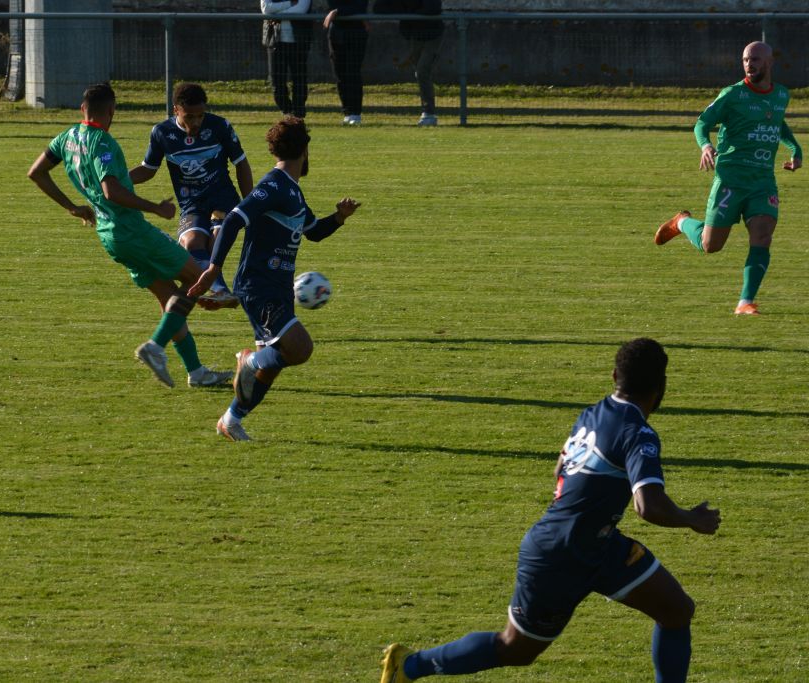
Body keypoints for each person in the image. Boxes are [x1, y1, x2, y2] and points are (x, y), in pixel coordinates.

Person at [380, 338, 721, 683]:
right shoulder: (637, 433)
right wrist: (692, 518)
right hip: (561, 554)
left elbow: (561, 467)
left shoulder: (591, 414)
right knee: (515, 649)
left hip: (599, 546)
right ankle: (408, 665)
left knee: (676, 610)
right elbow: (648, 506)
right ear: (661, 386)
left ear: (615, 375)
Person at [27, 83, 233, 389]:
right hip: (132, 231)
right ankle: (155, 346)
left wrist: (72, 207)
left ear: (82, 108)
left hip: (109, 236)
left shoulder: (66, 137)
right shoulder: (103, 142)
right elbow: (112, 191)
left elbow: (36, 172)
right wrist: (155, 208)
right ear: (112, 110)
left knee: (169, 298)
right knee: (197, 278)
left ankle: (196, 372)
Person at [187, 116, 360, 441]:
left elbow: (313, 232)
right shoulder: (274, 185)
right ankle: (248, 360)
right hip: (259, 285)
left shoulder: (292, 191)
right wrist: (213, 268)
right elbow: (234, 219)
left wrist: (339, 217)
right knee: (300, 348)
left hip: (277, 288)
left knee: (271, 367)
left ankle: (230, 421)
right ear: (305, 150)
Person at [654, 41, 801, 316]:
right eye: (745, 60)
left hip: (762, 182)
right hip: (731, 180)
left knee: (763, 235)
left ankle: (745, 302)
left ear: (770, 62)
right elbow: (702, 123)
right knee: (711, 246)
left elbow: (776, 121)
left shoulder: (781, 94)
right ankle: (681, 222)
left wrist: (796, 149)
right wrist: (706, 146)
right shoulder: (732, 94)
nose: (749, 64)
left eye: (755, 59)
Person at [131, 83, 254, 309]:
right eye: (190, 116)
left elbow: (241, 163)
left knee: (216, 240)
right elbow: (148, 169)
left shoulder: (219, 126)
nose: (196, 122)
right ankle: (220, 292)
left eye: (200, 116)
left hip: (223, 199)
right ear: (176, 110)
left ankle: (218, 290)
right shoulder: (162, 133)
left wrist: (249, 206)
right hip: (192, 203)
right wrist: (117, 181)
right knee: (191, 243)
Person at [372, 0, 444, 126]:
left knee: (422, 71)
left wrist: (409, 14)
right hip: (415, 36)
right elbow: (379, 8)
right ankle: (428, 111)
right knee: (420, 74)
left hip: (433, 34)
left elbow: (433, 8)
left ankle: (429, 113)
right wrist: (404, 13)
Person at [261, 0, 314, 119]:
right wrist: (290, 3)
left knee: (299, 78)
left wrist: (276, 15)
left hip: (298, 41)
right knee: (277, 79)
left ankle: (298, 114)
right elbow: (266, 8)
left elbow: (301, 9)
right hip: (275, 41)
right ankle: (287, 111)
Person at [324, 0, 369, 125]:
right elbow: (332, 5)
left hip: (356, 33)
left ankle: (355, 113)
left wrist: (338, 11)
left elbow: (360, 6)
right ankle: (347, 112)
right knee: (340, 75)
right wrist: (337, 11)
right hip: (336, 34)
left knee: (353, 73)